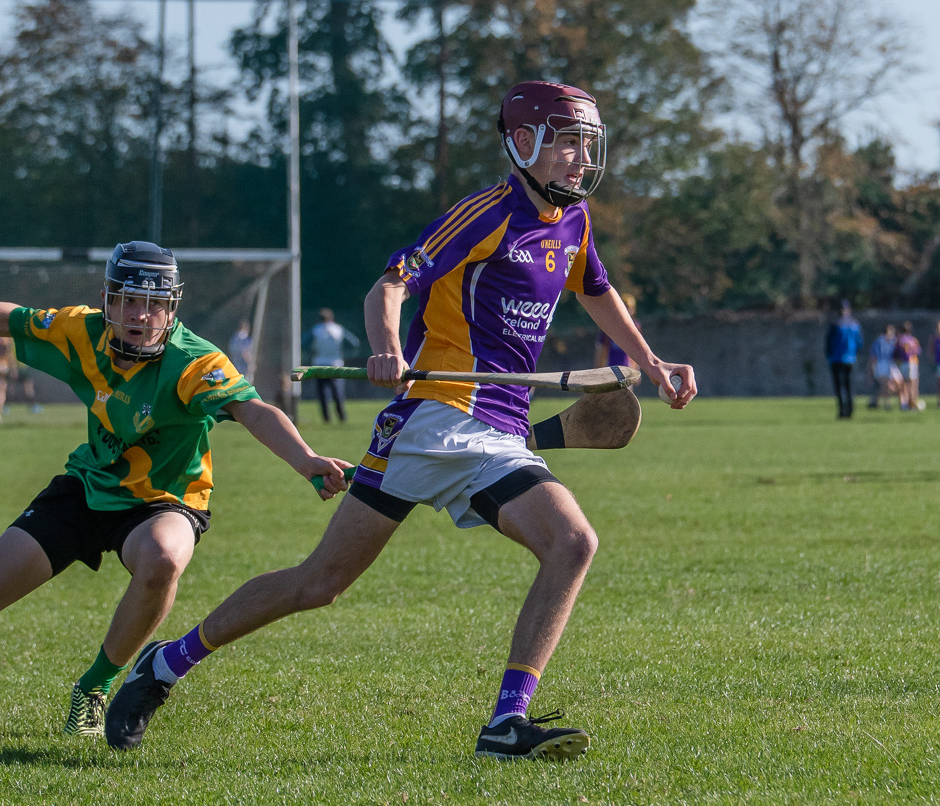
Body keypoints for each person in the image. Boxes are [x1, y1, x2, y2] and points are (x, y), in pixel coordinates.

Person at [104, 82, 696, 761]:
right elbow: (390, 283)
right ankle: (164, 666)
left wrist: (649, 362)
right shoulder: (484, 214)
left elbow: (593, 288)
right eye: (564, 141)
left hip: (493, 432)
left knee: (566, 544)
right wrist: (387, 348)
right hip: (431, 419)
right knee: (318, 584)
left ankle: (506, 723)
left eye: (584, 143)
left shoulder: (574, 220)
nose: (577, 157)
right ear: (524, 142)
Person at [0, 241, 349, 745]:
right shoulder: (80, 330)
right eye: (128, 301)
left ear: (172, 309)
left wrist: (306, 461)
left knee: (161, 559)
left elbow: (255, 410)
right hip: (88, 486)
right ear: (107, 300)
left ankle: (95, 687)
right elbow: (7, 318)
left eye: (153, 305)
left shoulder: (197, 361)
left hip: (165, 499)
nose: (139, 316)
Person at [305, 308, 361, 423]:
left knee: (323, 392)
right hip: (336, 363)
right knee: (338, 391)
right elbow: (354, 343)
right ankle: (342, 416)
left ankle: (326, 418)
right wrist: (346, 353)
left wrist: (311, 351)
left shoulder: (316, 330)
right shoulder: (339, 329)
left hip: (319, 364)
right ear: (332, 317)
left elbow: (303, 342)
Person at [825, 300, 863, 419]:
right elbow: (859, 343)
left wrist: (829, 356)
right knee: (850, 386)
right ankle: (850, 411)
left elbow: (828, 343)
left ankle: (842, 411)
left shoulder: (835, 323)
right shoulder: (855, 324)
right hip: (850, 359)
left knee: (839, 386)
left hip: (836, 359)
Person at [594, 292, 640, 371]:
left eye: (629, 308)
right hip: (610, 367)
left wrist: (636, 369)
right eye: (624, 307)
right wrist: (598, 368)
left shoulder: (635, 326)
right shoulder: (608, 325)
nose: (627, 311)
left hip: (627, 368)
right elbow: (603, 348)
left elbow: (638, 349)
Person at [868, 324, 901, 410]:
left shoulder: (894, 341)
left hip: (891, 364)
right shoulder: (879, 342)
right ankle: (887, 403)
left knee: (898, 383)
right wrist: (871, 370)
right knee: (885, 385)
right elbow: (873, 357)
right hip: (881, 365)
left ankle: (874, 400)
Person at [895, 321, 922, 411]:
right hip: (913, 362)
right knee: (913, 384)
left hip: (905, 362)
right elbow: (918, 351)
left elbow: (897, 352)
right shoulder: (914, 340)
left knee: (906, 384)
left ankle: (907, 403)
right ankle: (912, 403)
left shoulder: (900, 339)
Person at [931, 321, 940, 408]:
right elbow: (931, 350)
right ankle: (938, 401)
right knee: (938, 383)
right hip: (938, 363)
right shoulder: (935, 339)